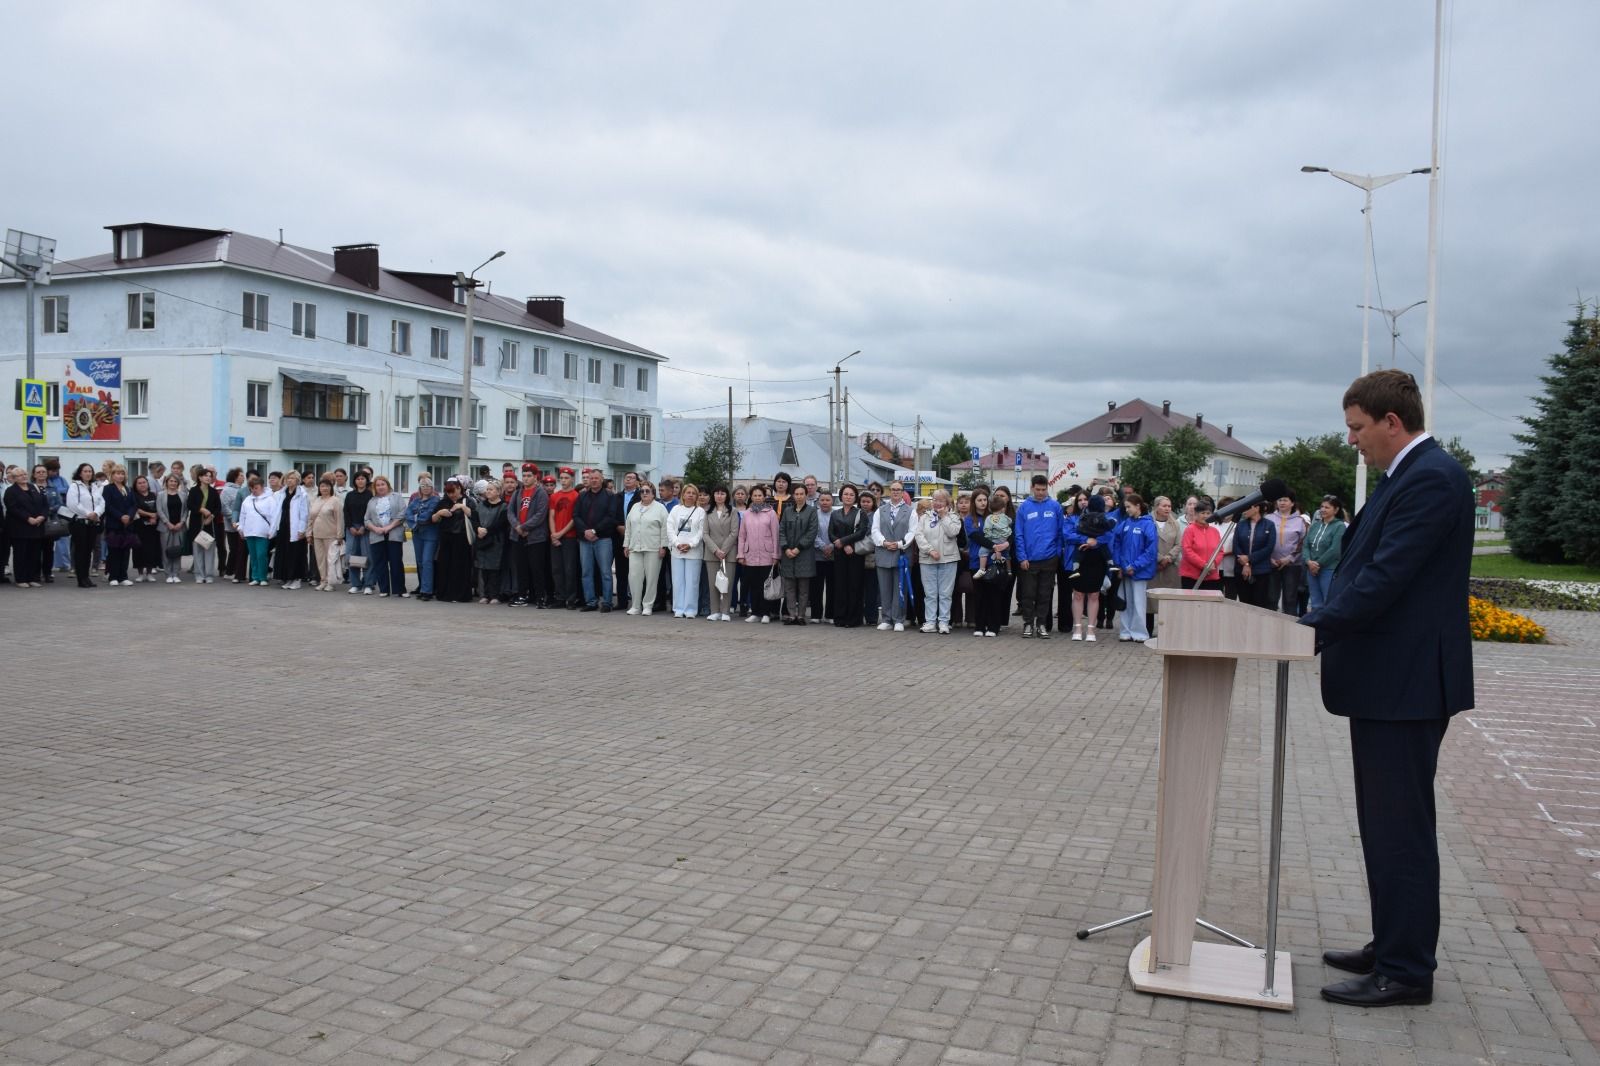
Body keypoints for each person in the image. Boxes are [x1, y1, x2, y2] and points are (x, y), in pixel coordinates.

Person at [1300, 368, 1474, 1008]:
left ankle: (1405, 971)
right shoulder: (1409, 476)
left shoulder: (1430, 479)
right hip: (1389, 683)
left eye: (1356, 428)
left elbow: (1383, 579)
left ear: (1391, 423)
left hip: (1406, 686)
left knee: (1399, 827)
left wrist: (1310, 628)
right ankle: (1392, 941)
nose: (1352, 441)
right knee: (1385, 824)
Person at [1012, 474, 1063, 639]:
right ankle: (1028, 623)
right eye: (1038, 489)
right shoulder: (1024, 508)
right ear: (1032, 488)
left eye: (1043, 489)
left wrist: (1057, 553)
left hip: (1049, 559)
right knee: (1028, 594)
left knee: (1044, 594)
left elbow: (1060, 532)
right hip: (1029, 559)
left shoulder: (1055, 506)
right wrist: (1022, 557)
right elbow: (1018, 534)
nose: (1041, 492)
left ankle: (1041, 624)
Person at [912, 489, 963, 634]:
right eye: (935, 500)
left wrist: (944, 517)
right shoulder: (925, 517)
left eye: (941, 500)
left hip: (948, 559)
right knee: (930, 593)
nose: (937, 503)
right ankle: (930, 622)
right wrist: (929, 550)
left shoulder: (954, 517)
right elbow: (919, 535)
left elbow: (953, 532)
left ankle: (944, 622)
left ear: (947, 502)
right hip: (928, 560)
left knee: (945, 593)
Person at [1111, 492, 1158, 642]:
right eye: (1125, 507)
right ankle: (1125, 631)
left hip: (1139, 572)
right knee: (1126, 603)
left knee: (1138, 603)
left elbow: (1151, 550)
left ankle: (1139, 633)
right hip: (1125, 571)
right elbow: (1116, 543)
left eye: (1129, 507)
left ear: (1138, 506)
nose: (1127, 510)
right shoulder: (1125, 523)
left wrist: (1135, 566)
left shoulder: (1148, 524)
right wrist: (1120, 565)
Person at [1066, 494, 1113, 642]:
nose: (1083, 502)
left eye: (1085, 499)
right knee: (1078, 594)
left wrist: (1096, 542)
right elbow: (1067, 534)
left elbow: (1110, 535)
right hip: (1081, 557)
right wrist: (1086, 540)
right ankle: (1078, 627)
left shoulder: (1103, 517)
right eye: (1080, 500)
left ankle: (1091, 629)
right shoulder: (1074, 517)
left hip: (1098, 559)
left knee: (1094, 595)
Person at [573, 468, 620, 611]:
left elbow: (611, 517)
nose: (593, 480)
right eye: (591, 478)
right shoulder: (582, 496)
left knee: (605, 572)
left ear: (602, 479)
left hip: (603, 539)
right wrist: (585, 531)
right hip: (584, 539)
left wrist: (594, 530)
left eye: (596, 478)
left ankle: (607, 602)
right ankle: (591, 602)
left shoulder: (610, 496)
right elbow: (576, 516)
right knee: (586, 572)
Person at [506, 462, 551, 608]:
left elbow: (540, 514)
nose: (525, 478)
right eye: (524, 475)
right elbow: (510, 511)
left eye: (529, 476)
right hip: (518, 535)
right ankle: (522, 595)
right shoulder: (518, 492)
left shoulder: (541, 493)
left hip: (535, 537)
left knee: (536, 568)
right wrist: (517, 526)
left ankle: (539, 597)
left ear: (535, 477)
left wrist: (525, 526)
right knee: (521, 567)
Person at [871, 480, 913, 632]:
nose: (895, 492)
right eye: (893, 489)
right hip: (883, 552)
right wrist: (883, 542)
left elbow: (913, 531)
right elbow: (874, 530)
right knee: (885, 588)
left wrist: (900, 543)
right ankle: (886, 619)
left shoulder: (910, 511)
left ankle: (899, 619)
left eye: (899, 490)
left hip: (901, 554)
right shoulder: (880, 510)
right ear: (890, 491)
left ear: (903, 492)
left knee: (900, 588)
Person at [827, 484, 871, 628]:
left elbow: (861, 532)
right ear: (841, 496)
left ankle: (853, 619)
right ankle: (840, 617)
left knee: (854, 586)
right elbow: (831, 533)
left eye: (851, 494)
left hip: (854, 554)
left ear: (855, 497)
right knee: (840, 586)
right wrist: (839, 543)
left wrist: (845, 542)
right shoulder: (835, 514)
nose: (848, 497)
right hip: (839, 554)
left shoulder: (860, 513)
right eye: (846, 494)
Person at [624, 483, 670, 615]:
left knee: (651, 578)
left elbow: (665, 529)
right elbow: (628, 527)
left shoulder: (660, 508)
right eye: (642, 491)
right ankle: (635, 605)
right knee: (634, 577)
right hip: (635, 547)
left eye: (647, 491)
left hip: (653, 547)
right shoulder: (634, 507)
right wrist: (626, 544)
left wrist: (663, 546)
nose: (644, 493)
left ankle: (648, 605)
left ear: (653, 493)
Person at [737, 484, 780, 623]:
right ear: (751, 497)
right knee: (753, 584)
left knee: (766, 585)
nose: (757, 498)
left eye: (760, 495)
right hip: (751, 555)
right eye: (754, 495)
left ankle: (766, 613)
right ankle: (755, 612)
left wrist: (775, 554)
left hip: (767, 554)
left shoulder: (771, 513)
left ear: (764, 497)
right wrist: (741, 554)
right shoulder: (746, 514)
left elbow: (775, 535)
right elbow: (742, 535)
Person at [777, 482, 817, 624]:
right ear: (793, 495)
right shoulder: (787, 511)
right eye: (797, 494)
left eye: (802, 494)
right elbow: (781, 531)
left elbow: (811, 533)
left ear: (806, 495)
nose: (799, 496)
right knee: (789, 587)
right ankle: (791, 614)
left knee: (803, 588)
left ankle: (801, 616)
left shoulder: (812, 511)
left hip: (804, 554)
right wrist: (786, 548)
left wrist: (798, 548)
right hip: (788, 554)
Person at [429, 479, 474, 603]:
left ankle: (461, 595)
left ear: (459, 489)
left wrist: (462, 507)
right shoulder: (443, 502)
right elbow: (432, 519)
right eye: (448, 492)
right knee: (445, 566)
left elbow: (474, 515)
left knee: (460, 567)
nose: (451, 495)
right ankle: (445, 594)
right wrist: (439, 513)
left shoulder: (468, 501)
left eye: (453, 492)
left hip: (462, 537)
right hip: (446, 538)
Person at [666, 483, 705, 618]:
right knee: (678, 581)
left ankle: (690, 609)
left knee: (692, 581)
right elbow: (669, 528)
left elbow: (701, 532)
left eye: (693, 493)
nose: (690, 495)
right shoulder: (676, 509)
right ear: (683, 495)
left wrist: (690, 544)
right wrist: (677, 544)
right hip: (677, 551)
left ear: (696, 497)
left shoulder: (700, 511)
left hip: (693, 552)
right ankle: (678, 608)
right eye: (688, 492)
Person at [3, 466, 47, 587]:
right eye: (20, 475)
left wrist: (42, 516)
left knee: (34, 554)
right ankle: (21, 579)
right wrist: (28, 518)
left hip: (36, 526)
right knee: (21, 554)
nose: (23, 476)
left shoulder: (34, 488)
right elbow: (13, 508)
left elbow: (44, 504)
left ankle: (32, 577)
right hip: (20, 527)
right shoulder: (11, 491)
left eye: (25, 474)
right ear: (14, 478)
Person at [1269, 491, 1310, 616]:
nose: (1282, 503)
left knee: (1290, 599)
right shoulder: (1268, 518)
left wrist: (1289, 558)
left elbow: (1303, 542)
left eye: (1285, 500)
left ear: (1292, 503)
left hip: (1292, 565)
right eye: (1280, 500)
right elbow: (1263, 541)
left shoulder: (1300, 521)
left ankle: (1290, 627)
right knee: (1271, 598)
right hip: (1271, 564)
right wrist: (1269, 558)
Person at [364, 476, 406, 597]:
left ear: (387, 485)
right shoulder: (371, 501)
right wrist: (375, 528)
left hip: (394, 534)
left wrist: (389, 527)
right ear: (374, 488)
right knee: (380, 563)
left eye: (383, 484)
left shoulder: (396, 497)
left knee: (396, 562)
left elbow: (402, 514)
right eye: (378, 485)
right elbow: (366, 520)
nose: (380, 487)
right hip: (377, 535)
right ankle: (384, 589)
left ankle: (400, 590)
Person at [702, 486, 739, 622]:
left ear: (726, 496)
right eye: (717, 493)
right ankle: (714, 611)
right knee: (713, 584)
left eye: (722, 493)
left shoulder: (732, 511)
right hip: (712, 553)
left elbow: (734, 532)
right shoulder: (707, 511)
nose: (719, 496)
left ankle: (725, 611)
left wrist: (724, 550)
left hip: (728, 553)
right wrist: (716, 550)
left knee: (727, 583)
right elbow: (705, 533)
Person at [1305, 495, 1347, 611]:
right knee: (1315, 602)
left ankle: (1327, 627)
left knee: (1328, 601)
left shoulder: (1339, 526)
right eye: (1322, 507)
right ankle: (1315, 626)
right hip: (1311, 569)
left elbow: (1335, 549)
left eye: (1327, 507)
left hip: (1328, 569)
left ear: (1336, 510)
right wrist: (1308, 561)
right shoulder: (1315, 525)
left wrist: (1317, 564)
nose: (1323, 509)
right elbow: (1306, 545)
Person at [471, 479, 509, 604]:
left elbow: (501, 523)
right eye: (487, 489)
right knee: (482, 568)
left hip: (496, 541)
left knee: (494, 569)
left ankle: (494, 595)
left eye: (491, 489)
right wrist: (478, 528)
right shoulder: (480, 505)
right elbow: (474, 519)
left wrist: (487, 530)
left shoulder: (504, 506)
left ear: (498, 492)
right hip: (481, 540)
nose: (488, 492)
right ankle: (483, 594)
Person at [1232, 500, 1276, 609]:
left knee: (1259, 604)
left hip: (1261, 571)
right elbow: (1236, 546)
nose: (1244, 511)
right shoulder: (1240, 525)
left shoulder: (1269, 525)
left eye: (1247, 508)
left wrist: (1249, 559)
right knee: (1244, 603)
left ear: (1256, 508)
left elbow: (1269, 548)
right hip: (1241, 570)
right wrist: (1246, 564)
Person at [403, 476, 442, 600]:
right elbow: (407, 514)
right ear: (419, 488)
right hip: (417, 534)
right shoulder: (415, 500)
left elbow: (428, 516)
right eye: (423, 486)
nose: (425, 488)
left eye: (428, 486)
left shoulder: (435, 500)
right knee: (420, 562)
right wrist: (417, 519)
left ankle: (427, 591)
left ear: (432, 488)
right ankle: (422, 587)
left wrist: (416, 517)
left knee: (427, 561)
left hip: (430, 534)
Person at [237, 475, 279, 586]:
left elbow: (274, 516)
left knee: (261, 554)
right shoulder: (248, 500)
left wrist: (272, 530)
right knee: (253, 555)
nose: (254, 490)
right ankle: (255, 577)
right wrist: (241, 528)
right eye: (252, 488)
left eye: (256, 488)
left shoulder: (270, 499)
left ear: (262, 487)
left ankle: (263, 577)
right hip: (249, 531)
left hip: (262, 532)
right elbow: (243, 515)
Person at [270, 471, 309, 589]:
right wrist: (274, 528)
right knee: (284, 554)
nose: (289, 480)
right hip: (283, 528)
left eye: (292, 478)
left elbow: (304, 514)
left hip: (295, 528)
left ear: (297, 480)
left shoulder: (302, 494)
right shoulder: (282, 493)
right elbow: (277, 511)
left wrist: (302, 530)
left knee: (295, 554)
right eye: (288, 478)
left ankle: (296, 579)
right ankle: (287, 578)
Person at [548, 467, 581, 608]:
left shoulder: (576, 496)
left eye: (566, 478)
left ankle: (571, 598)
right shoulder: (554, 496)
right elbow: (551, 515)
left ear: (572, 479)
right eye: (561, 478)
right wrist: (554, 534)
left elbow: (575, 518)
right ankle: (560, 597)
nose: (563, 480)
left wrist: (561, 533)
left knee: (569, 569)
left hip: (570, 537)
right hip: (556, 537)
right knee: (557, 569)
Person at [1179, 496, 1223, 592]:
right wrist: (1204, 565)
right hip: (1192, 576)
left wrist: (1213, 564)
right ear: (1196, 514)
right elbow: (1187, 551)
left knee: (1209, 605)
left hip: (1212, 576)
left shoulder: (1215, 531)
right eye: (1202, 513)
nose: (1206, 516)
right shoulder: (1189, 530)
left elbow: (1220, 550)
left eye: (1208, 513)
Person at [187, 466, 222, 584]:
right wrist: (201, 510)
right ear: (200, 477)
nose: (208, 478)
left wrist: (211, 516)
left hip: (209, 524)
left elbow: (218, 508)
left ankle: (209, 575)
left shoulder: (213, 492)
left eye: (210, 476)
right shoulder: (193, 490)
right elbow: (189, 505)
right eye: (205, 476)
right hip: (196, 524)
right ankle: (199, 574)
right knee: (197, 550)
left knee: (209, 550)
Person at [307, 477, 343, 591]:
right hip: (317, 534)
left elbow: (339, 519)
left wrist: (339, 535)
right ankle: (323, 580)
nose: (324, 488)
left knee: (330, 560)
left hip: (331, 535)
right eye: (322, 486)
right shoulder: (316, 500)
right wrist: (308, 533)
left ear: (331, 487)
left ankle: (331, 582)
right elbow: (310, 518)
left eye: (327, 486)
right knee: (320, 559)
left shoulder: (335, 500)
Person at [343, 470, 374, 594]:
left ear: (367, 481)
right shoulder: (350, 495)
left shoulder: (370, 495)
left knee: (368, 556)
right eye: (358, 479)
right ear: (354, 481)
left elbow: (372, 512)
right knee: (352, 556)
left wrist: (364, 527)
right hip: (351, 529)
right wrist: (350, 526)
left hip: (366, 528)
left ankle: (368, 584)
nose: (360, 481)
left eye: (363, 478)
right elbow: (346, 512)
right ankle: (355, 584)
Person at [155, 473, 188, 584]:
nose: (173, 483)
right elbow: (159, 510)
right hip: (165, 527)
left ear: (178, 483)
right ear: (166, 482)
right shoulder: (160, 495)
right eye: (171, 481)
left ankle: (176, 573)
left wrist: (181, 522)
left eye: (175, 481)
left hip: (179, 527)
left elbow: (185, 511)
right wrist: (167, 523)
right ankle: (168, 574)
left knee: (177, 551)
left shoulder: (183, 495)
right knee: (166, 551)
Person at [809, 490, 835, 622]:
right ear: (818, 502)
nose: (825, 502)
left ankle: (830, 614)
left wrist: (831, 546)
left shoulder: (837, 515)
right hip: (817, 556)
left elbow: (839, 533)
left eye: (827, 500)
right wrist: (822, 546)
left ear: (832, 501)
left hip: (833, 556)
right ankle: (815, 614)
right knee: (816, 587)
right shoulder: (814, 515)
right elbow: (812, 533)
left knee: (832, 587)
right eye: (822, 500)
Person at [856, 489, 880, 626]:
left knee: (872, 589)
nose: (865, 504)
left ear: (873, 503)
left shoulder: (876, 516)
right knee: (858, 588)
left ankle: (872, 617)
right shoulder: (856, 514)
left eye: (868, 501)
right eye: (863, 501)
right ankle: (858, 615)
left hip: (871, 556)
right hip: (856, 556)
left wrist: (861, 545)